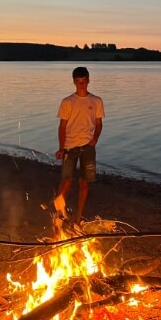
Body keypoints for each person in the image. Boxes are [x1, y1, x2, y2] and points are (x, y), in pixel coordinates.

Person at [55, 67, 105, 223]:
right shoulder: (67, 101)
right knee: (67, 181)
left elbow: (99, 123)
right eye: (78, 82)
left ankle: (78, 216)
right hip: (70, 146)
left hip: (88, 147)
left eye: (83, 81)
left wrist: (95, 139)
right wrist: (61, 148)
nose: (81, 84)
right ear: (74, 82)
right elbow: (62, 127)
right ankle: (58, 214)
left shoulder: (96, 101)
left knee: (84, 182)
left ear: (88, 81)